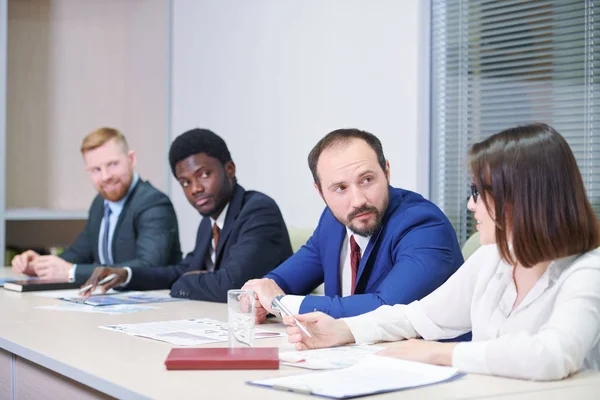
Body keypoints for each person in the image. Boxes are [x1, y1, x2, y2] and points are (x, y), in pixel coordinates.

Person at [284, 123, 600, 381]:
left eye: (478, 192)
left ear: (522, 198)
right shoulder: (493, 259)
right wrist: (342, 330)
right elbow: (417, 316)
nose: (470, 204)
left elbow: (554, 355)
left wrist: (440, 354)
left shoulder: (588, 272)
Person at [243, 128, 464, 322]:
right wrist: (257, 296)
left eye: (367, 180)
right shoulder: (332, 221)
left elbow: (386, 308)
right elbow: (282, 281)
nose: (358, 201)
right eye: (340, 188)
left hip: (429, 363)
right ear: (320, 192)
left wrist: (280, 304)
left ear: (386, 172)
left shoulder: (424, 225)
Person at [82, 128, 293, 302]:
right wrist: (126, 274)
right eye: (185, 182)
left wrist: (183, 282)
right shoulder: (208, 224)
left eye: (204, 175)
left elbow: (231, 286)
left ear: (229, 169)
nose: (195, 189)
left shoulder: (258, 211)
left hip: (275, 333)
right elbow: (183, 270)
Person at [11, 128, 182, 283]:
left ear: (131, 159)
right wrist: (40, 264)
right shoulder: (100, 203)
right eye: (96, 170)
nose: (105, 176)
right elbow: (79, 253)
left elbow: (149, 266)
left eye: (112, 164)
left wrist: (72, 272)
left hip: (157, 306)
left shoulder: (153, 203)